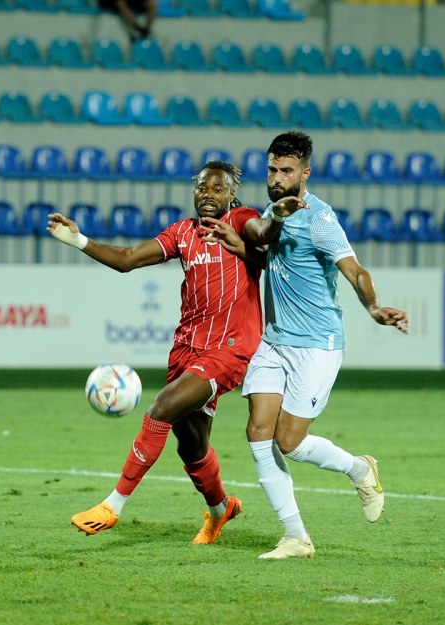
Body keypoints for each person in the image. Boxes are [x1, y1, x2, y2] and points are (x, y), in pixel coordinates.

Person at [47, 161, 306, 543]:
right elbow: (128, 259)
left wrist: (278, 218)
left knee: (161, 408)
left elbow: (261, 231)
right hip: (186, 348)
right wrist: (79, 240)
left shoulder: (242, 220)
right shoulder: (182, 233)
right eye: (202, 188)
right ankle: (221, 510)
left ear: (231, 194)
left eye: (217, 189)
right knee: (192, 446)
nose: (208, 195)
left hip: (229, 348)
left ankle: (112, 505)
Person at [203, 131, 409, 559]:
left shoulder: (321, 219)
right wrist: (243, 244)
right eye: (272, 170)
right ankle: (296, 536)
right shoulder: (273, 211)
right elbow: (269, 250)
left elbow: (354, 270)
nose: (277, 178)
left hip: (317, 344)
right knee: (259, 433)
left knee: (290, 442)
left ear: (305, 173)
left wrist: (372, 307)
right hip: (275, 341)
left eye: (287, 171)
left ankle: (360, 468)